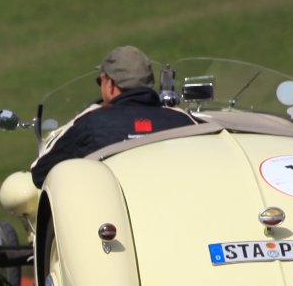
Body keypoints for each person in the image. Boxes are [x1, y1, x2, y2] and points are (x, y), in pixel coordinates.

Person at [30, 46, 199, 188]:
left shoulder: (91, 122)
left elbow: (40, 173)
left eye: (100, 81)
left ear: (110, 84)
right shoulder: (183, 121)